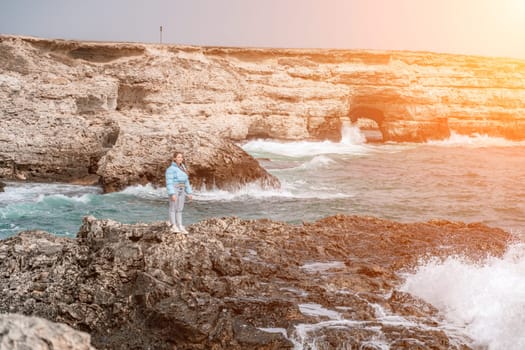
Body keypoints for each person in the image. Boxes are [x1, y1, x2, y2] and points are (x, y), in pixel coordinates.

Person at [165, 151, 193, 234]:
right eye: (178, 157)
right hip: (175, 188)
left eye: (181, 157)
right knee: (173, 208)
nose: (180, 159)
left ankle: (180, 225)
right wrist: (172, 193)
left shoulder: (183, 168)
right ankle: (173, 225)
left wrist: (189, 192)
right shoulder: (170, 169)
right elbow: (169, 182)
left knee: (180, 209)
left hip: (182, 189)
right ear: (174, 158)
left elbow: (186, 181)